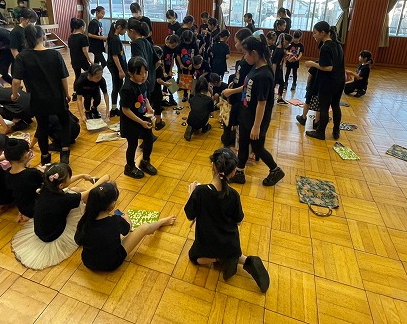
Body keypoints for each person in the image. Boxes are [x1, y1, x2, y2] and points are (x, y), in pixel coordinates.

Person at [184, 148, 270, 292]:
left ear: (213, 167)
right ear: (233, 172)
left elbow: (190, 216)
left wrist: (191, 194)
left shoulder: (200, 192)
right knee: (232, 252)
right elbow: (239, 222)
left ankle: (219, 259)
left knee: (194, 258)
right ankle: (245, 260)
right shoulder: (234, 195)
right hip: (230, 243)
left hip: (208, 242)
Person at [10, 163, 109, 270]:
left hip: (41, 229)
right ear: (60, 185)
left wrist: (81, 176)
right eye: (69, 178)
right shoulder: (63, 200)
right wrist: (103, 179)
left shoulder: (47, 186)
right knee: (81, 202)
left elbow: (65, 184)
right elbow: (89, 192)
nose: (70, 179)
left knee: (75, 190)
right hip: (53, 233)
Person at [75, 181, 176, 272]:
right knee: (144, 228)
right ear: (112, 205)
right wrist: (127, 219)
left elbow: (78, 240)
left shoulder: (84, 220)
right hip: (111, 263)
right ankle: (162, 222)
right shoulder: (115, 221)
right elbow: (127, 229)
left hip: (88, 262)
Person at [227, 35, 285, 186]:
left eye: (245, 53)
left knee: (258, 148)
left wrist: (256, 126)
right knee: (243, 143)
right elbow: (247, 86)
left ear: (254, 53)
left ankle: (275, 170)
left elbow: (262, 103)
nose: (244, 57)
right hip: (247, 114)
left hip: (256, 118)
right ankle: (239, 173)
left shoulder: (264, 75)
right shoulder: (255, 67)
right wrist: (232, 91)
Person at [12, 25, 71, 164]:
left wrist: (14, 95)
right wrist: (67, 94)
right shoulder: (54, 54)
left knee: (42, 126)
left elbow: (16, 81)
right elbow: (63, 77)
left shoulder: (22, 56)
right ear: (43, 36)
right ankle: (64, 153)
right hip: (57, 96)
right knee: (65, 123)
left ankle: (45, 157)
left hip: (38, 99)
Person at [305, 21, 345, 141]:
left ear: (323, 33)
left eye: (315, 33)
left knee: (324, 107)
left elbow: (328, 67)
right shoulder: (337, 44)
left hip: (328, 82)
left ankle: (320, 132)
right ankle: (336, 130)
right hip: (339, 80)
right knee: (336, 105)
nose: (314, 35)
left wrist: (312, 63)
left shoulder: (325, 47)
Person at [120, 57, 156, 179]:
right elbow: (125, 110)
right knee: (133, 144)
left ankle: (145, 162)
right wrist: (141, 122)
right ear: (130, 73)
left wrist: (149, 108)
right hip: (131, 122)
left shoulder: (144, 82)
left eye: (145, 72)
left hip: (143, 118)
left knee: (149, 139)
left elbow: (144, 97)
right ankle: (129, 167)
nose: (143, 76)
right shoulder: (127, 89)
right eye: (139, 73)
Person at [220, 28, 253, 148]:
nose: (235, 45)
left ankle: (229, 142)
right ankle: (227, 137)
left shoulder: (249, 61)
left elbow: (248, 83)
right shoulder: (244, 58)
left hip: (241, 98)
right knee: (227, 117)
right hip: (236, 93)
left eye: (236, 42)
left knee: (232, 118)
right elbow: (239, 76)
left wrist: (233, 91)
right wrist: (233, 83)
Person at [4, 138, 43, 222]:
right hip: (36, 208)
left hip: (22, 207)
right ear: (26, 155)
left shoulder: (7, 173)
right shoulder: (31, 173)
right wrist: (44, 172)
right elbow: (45, 182)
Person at [128, 18, 156, 103]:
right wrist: (149, 72)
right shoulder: (147, 42)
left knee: (141, 106)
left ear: (132, 31)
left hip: (142, 81)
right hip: (151, 79)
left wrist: (141, 75)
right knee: (148, 104)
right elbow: (158, 61)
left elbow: (138, 64)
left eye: (127, 32)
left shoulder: (135, 44)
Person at [106, 19, 128, 118]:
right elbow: (115, 56)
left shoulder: (115, 37)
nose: (125, 32)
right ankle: (114, 109)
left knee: (119, 86)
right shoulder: (114, 39)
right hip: (115, 67)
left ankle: (117, 107)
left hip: (118, 66)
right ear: (119, 27)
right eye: (125, 29)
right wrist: (120, 70)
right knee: (116, 87)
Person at [68, 18, 92, 101]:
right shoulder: (83, 37)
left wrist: (71, 60)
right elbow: (84, 50)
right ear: (82, 27)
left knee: (77, 76)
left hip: (74, 60)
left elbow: (71, 50)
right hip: (82, 60)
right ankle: (88, 92)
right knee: (89, 75)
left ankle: (75, 93)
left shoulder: (70, 37)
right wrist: (90, 60)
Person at [185, 77, 214, 141]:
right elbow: (212, 113)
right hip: (202, 121)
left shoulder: (192, 99)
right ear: (207, 87)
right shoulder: (209, 100)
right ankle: (205, 127)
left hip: (190, 120)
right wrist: (211, 93)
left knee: (196, 112)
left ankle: (191, 127)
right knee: (206, 112)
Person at [177, 29, 198, 102]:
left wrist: (192, 64)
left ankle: (191, 95)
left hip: (192, 66)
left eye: (189, 41)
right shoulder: (181, 44)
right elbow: (178, 55)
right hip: (183, 66)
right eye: (186, 41)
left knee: (193, 80)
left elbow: (196, 56)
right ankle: (185, 94)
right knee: (184, 80)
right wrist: (180, 64)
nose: (187, 42)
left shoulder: (194, 45)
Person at [271, 33, 291, 104]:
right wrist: (273, 74)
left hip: (279, 69)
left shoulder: (281, 49)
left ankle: (279, 98)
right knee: (273, 84)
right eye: (288, 43)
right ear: (285, 41)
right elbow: (274, 64)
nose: (288, 45)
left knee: (281, 83)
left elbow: (282, 60)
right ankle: (270, 98)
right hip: (276, 70)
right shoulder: (278, 50)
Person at [161, 34, 180, 106]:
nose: (174, 47)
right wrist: (163, 71)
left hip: (168, 67)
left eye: (175, 46)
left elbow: (172, 59)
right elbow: (162, 61)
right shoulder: (163, 49)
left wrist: (170, 70)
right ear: (168, 43)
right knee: (165, 83)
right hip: (162, 68)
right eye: (173, 46)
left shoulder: (173, 49)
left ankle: (171, 99)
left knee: (171, 84)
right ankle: (163, 99)